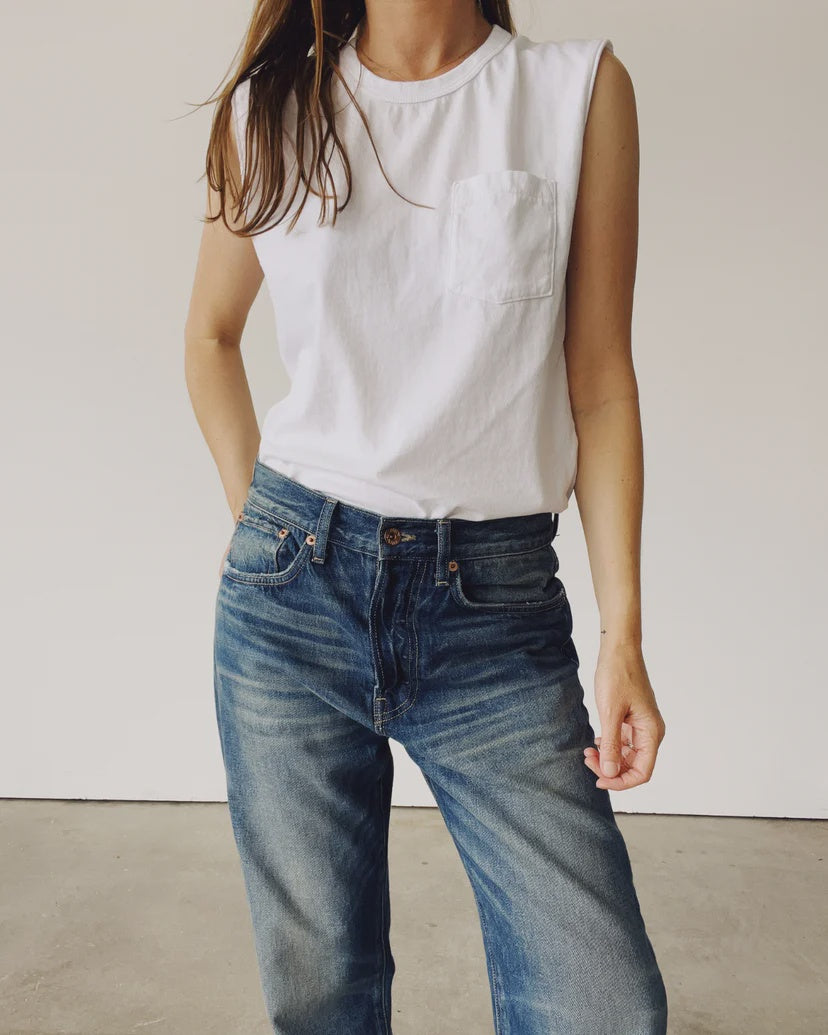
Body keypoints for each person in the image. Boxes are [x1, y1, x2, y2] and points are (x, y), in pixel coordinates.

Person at [184, 1, 669, 1032]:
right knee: (321, 995)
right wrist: (254, 530)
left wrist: (622, 637)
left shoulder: (575, 91)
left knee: (601, 1007)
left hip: (491, 611)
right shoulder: (274, 108)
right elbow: (210, 339)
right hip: (288, 600)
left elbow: (602, 384)